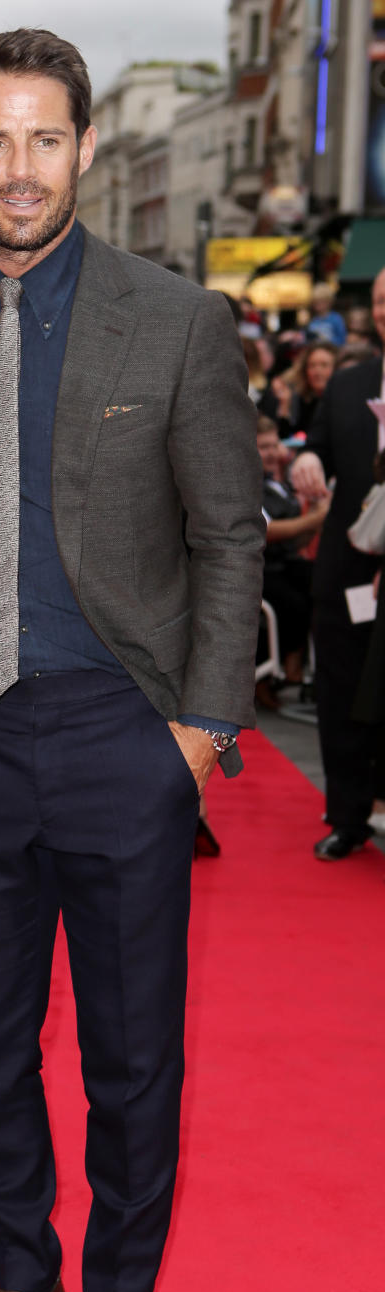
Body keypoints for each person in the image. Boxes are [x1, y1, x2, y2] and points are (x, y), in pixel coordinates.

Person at [0, 27, 264, 1292]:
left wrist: (203, 732)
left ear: (86, 149)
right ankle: (22, 1279)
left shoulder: (174, 319)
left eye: (46, 139)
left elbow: (230, 534)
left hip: (121, 734)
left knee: (131, 1053)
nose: (20, 168)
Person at [290, 267, 385, 859]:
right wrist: (308, 466)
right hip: (348, 571)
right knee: (342, 693)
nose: (384, 311)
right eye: (378, 301)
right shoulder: (348, 385)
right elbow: (317, 450)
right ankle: (348, 817)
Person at [257, 415, 329, 699]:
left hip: (286, 563)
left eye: (275, 445)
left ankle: (301, 666)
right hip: (262, 568)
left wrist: (317, 519)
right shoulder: (247, 485)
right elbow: (267, 531)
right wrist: (314, 519)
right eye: (264, 446)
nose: (273, 452)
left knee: (321, 582)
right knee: (295, 600)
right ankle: (286, 666)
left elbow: (296, 538)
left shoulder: (281, 486)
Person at [260, 339, 337, 439]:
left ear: (336, 368)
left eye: (324, 365)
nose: (317, 371)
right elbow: (283, 436)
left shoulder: (340, 401)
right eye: (312, 365)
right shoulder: (299, 399)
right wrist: (285, 404)